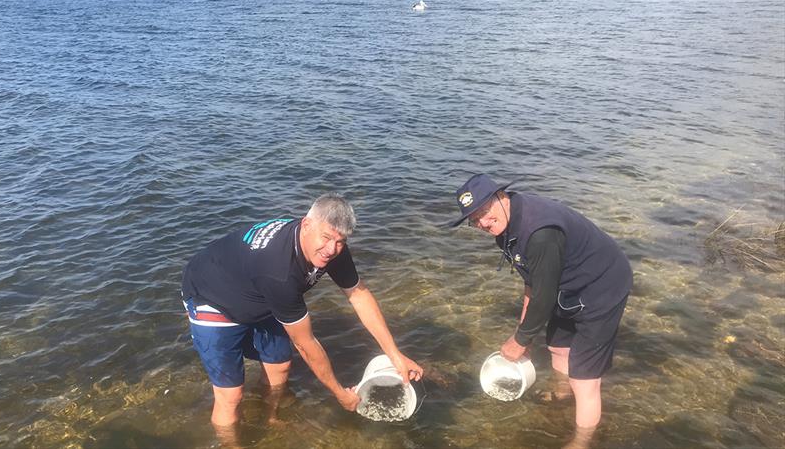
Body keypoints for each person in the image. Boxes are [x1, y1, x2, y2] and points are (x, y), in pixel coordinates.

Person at [181, 192, 423, 439]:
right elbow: (305, 344)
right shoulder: (279, 272)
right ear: (306, 224)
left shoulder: (333, 247)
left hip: (258, 293)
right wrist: (339, 393)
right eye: (326, 237)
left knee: (281, 366)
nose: (331, 249)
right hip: (212, 298)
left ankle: (271, 417)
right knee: (230, 395)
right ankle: (231, 445)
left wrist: (396, 355)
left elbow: (359, 296)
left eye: (340, 241)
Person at [450, 174, 632, 438]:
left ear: (501, 196)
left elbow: (544, 296)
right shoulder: (506, 227)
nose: (483, 222)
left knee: (584, 378)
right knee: (558, 347)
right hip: (567, 285)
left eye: (485, 211)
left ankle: (582, 442)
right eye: (474, 219)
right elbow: (532, 284)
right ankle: (562, 395)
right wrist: (524, 332)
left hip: (603, 286)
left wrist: (520, 341)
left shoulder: (540, 233)